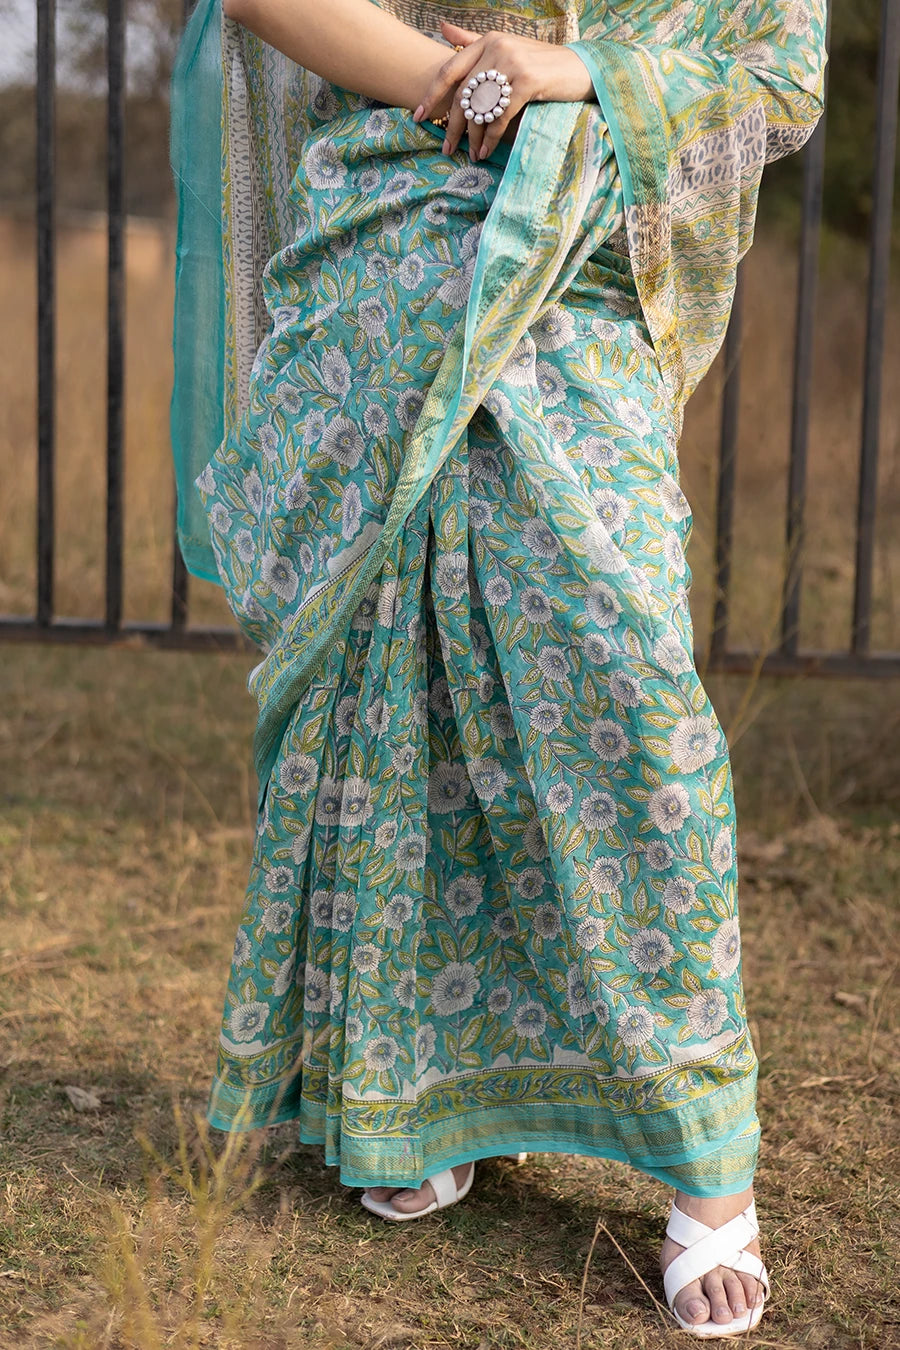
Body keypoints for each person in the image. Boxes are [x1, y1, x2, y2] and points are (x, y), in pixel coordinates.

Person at [169, 0, 826, 1336]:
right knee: (388, 669)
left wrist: (567, 75)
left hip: (581, 238)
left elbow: (779, 62)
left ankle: (707, 1150)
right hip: (388, 224)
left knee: (626, 681)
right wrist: (458, 86)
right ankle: (412, 1083)